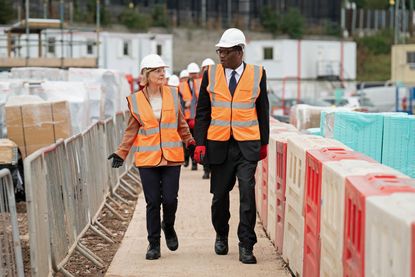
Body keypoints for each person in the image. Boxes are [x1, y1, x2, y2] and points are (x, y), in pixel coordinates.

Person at [108, 54, 195, 260]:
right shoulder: (136, 101)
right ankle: (153, 244)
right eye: (158, 71)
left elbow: (180, 122)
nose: (162, 74)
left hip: (172, 157)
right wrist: (122, 152)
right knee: (153, 202)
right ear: (147, 74)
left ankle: (169, 226)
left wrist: (190, 141)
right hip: (148, 159)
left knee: (171, 200)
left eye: (163, 70)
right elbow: (131, 130)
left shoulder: (173, 94)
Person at [193, 28, 269, 264]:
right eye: (219, 51)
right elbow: (203, 112)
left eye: (226, 52)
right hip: (219, 145)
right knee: (219, 196)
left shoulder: (258, 74)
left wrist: (264, 142)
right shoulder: (211, 74)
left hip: (247, 145)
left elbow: (263, 111)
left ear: (240, 51)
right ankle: (221, 234)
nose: (221, 56)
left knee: (247, 193)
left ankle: (246, 244)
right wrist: (200, 143)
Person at [199, 58, 216, 180]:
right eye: (205, 67)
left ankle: (212, 169)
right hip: (205, 119)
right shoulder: (199, 82)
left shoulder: (220, 80)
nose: (207, 69)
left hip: (217, 120)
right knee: (204, 145)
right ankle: (206, 170)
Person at [178, 69, 194, 168]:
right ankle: (186, 159)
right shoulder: (180, 87)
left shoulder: (194, 85)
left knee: (192, 140)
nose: (185, 80)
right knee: (185, 141)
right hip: (184, 117)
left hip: (192, 117)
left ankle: (194, 162)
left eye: (186, 78)